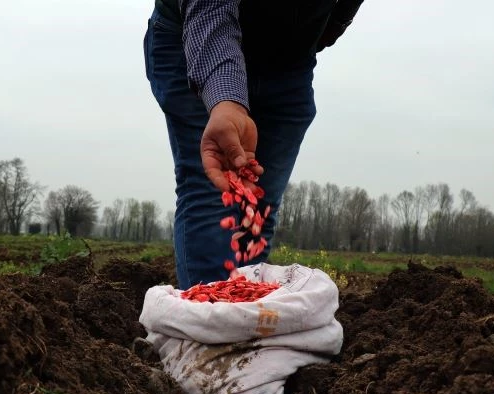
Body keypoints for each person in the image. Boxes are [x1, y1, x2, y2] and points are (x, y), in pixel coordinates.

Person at [144, 0, 364, 290]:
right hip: (199, 33)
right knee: (213, 192)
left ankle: (247, 309)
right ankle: (213, 322)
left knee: (258, 203)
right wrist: (225, 100)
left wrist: (336, 22)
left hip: (288, 55)